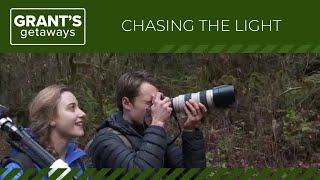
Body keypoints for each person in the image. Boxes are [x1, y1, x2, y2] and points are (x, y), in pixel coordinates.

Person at [89, 70, 207, 171]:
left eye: (156, 102)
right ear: (126, 103)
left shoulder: (150, 132)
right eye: (150, 103)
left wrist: (190, 130)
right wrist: (157, 123)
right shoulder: (105, 141)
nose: (156, 107)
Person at [0, 85, 87, 179]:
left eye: (79, 107)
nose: (82, 113)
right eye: (72, 108)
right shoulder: (17, 170)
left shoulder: (78, 163)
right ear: (50, 117)